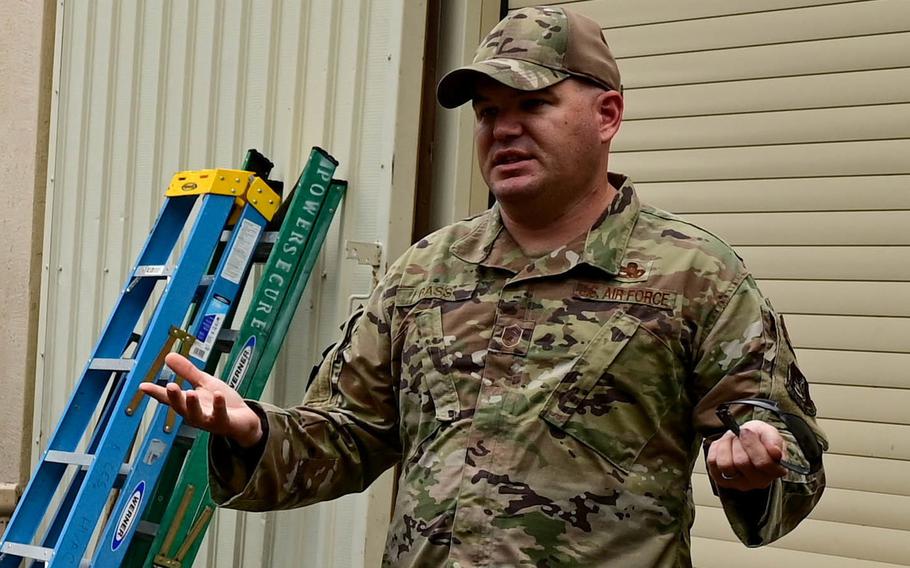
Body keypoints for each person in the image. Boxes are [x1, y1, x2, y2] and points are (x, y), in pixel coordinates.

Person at [142, 5, 827, 567]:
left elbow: (783, 452)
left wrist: (760, 466)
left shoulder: (692, 275)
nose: (504, 129)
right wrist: (252, 430)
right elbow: (348, 438)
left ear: (608, 115)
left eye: (533, 103)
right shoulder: (425, 273)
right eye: (487, 111)